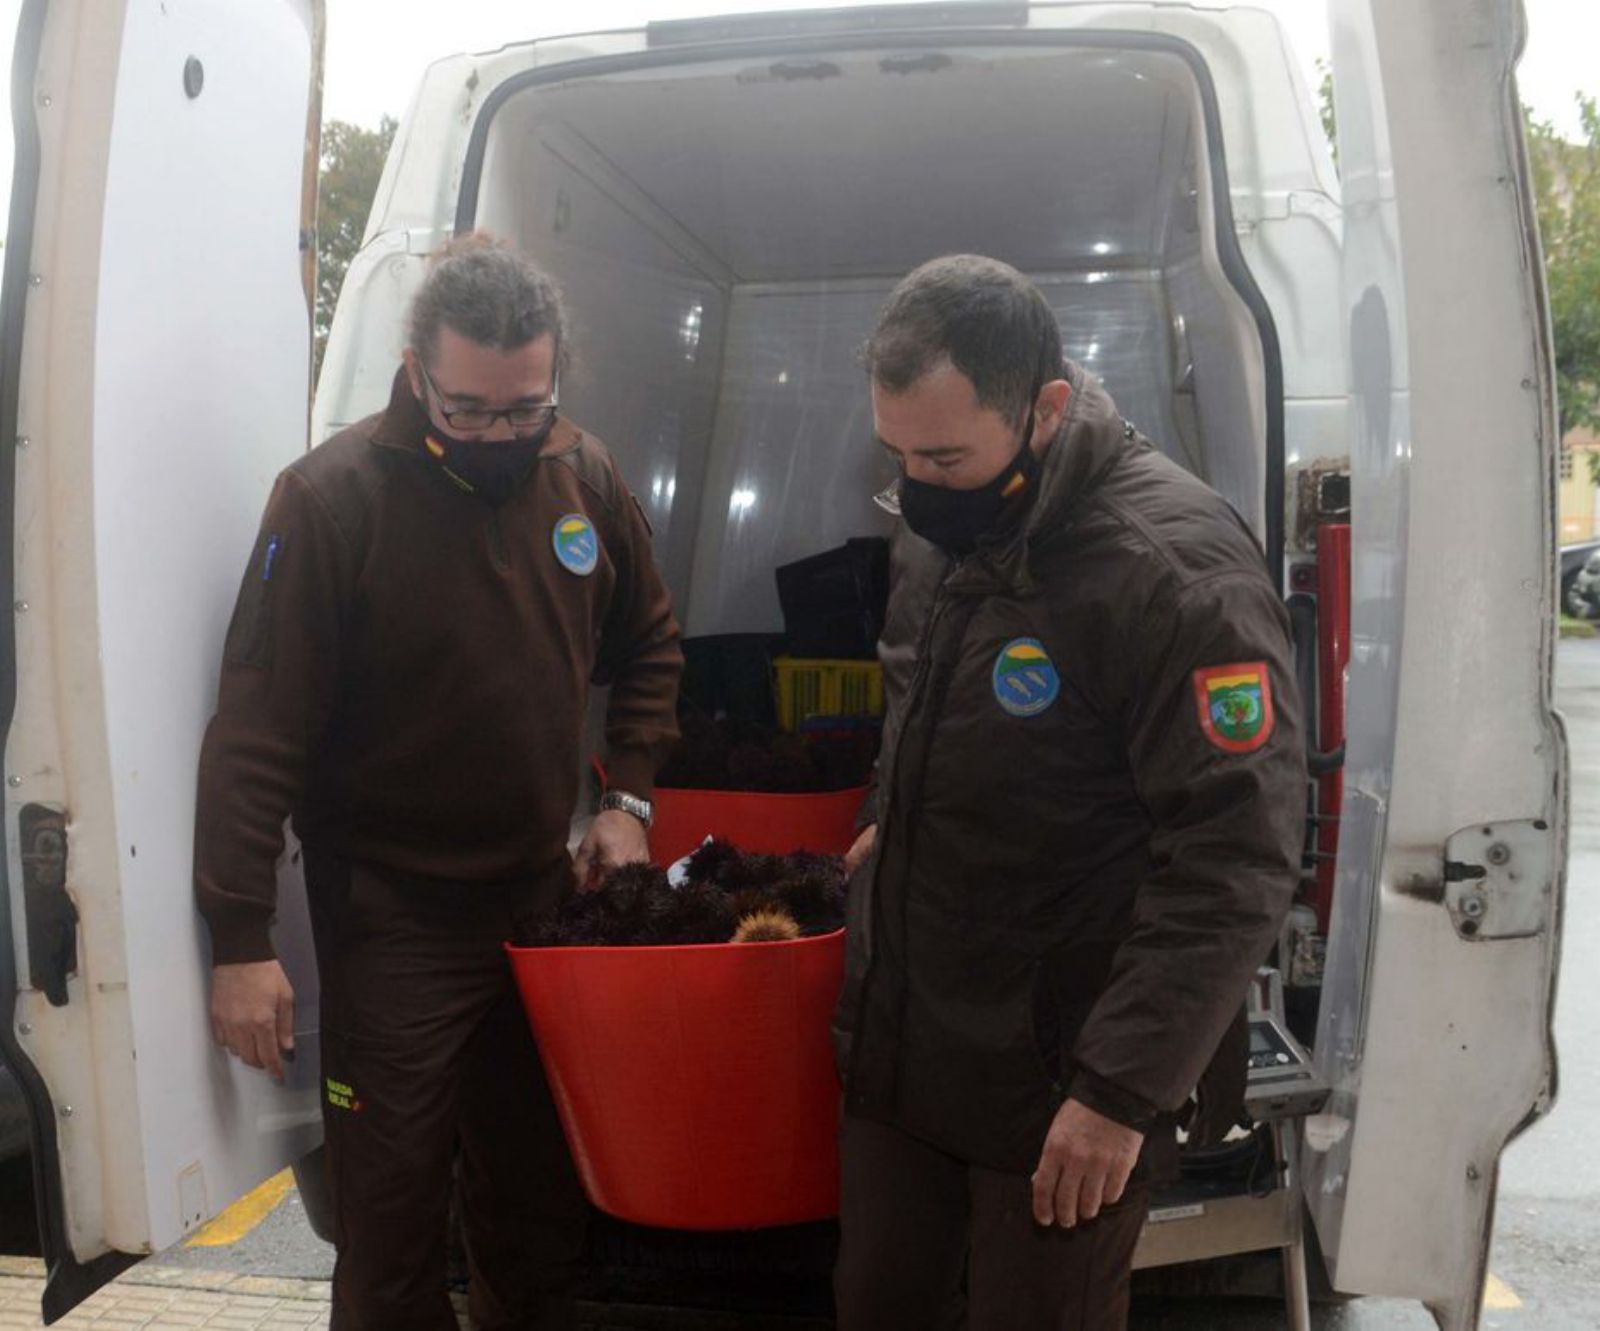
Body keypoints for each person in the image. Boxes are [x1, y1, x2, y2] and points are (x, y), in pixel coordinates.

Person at [193, 233, 683, 1330]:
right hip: (394, 918)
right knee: (390, 1214)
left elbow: (650, 645)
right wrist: (237, 935)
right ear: (414, 369)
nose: (501, 434)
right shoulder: (329, 502)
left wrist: (627, 797)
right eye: (468, 409)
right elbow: (257, 728)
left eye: (526, 407)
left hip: (541, 901)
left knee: (538, 1199)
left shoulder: (581, 473)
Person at [832, 255, 1306, 1330]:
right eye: (897, 452)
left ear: (1045, 406)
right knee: (873, 1304)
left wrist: (1117, 1092)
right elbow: (922, 697)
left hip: (1062, 1069)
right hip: (908, 1037)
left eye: (943, 455)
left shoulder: (1171, 571)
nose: (915, 484)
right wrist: (883, 818)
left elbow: (1236, 853)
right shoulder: (943, 515)